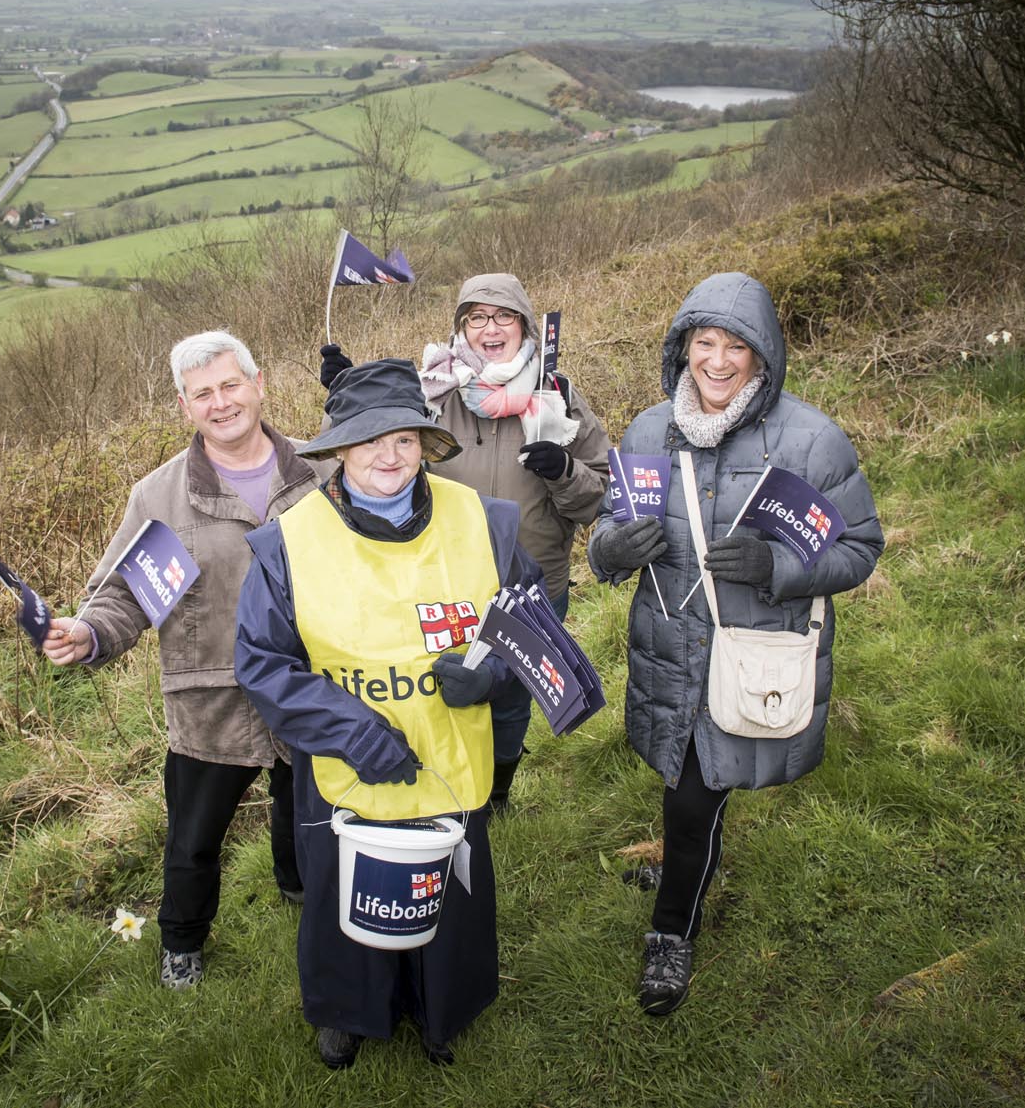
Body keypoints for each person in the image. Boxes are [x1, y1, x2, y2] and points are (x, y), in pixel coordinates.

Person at [234, 358, 545, 1068]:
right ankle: (347, 1011)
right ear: (340, 449)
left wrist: (492, 673)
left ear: (425, 443)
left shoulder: (484, 521)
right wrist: (350, 732)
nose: (389, 456)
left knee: (451, 899)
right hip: (346, 771)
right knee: (342, 896)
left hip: (451, 761)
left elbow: (531, 627)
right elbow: (262, 662)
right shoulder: (288, 542)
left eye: (404, 438)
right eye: (370, 440)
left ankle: (443, 1011)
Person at [587, 272, 883, 1016]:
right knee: (684, 792)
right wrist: (613, 550)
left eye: (736, 347)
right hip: (668, 655)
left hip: (750, 658)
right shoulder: (649, 432)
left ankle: (671, 932)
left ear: (763, 355)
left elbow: (860, 547)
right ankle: (685, 868)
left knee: (694, 800)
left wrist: (777, 566)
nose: (717, 361)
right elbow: (606, 531)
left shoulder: (810, 441)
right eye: (704, 343)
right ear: (682, 347)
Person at [42, 330, 324, 990]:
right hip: (210, 696)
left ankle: (301, 891)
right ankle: (182, 944)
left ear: (258, 385)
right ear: (184, 405)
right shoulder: (160, 496)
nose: (220, 403)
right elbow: (123, 594)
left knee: (304, 808)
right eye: (203, 394)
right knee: (194, 837)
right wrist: (88, 633)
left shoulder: (318, 474)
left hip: (307, 683)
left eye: (230, 385)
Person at [318, 273, 610, 809]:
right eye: (476, 318)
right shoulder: (434, 392)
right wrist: (344, 394)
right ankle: (440, 789)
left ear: (524, 324)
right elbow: (376, 453)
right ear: (461, 327)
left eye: (503, 317)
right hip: (442, 586)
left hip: (532, 586)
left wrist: (565, 471)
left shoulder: (558, 397)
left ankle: (495, 793)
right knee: (444, 689)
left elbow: (599, 499)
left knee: (510, 699)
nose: (490, 329)